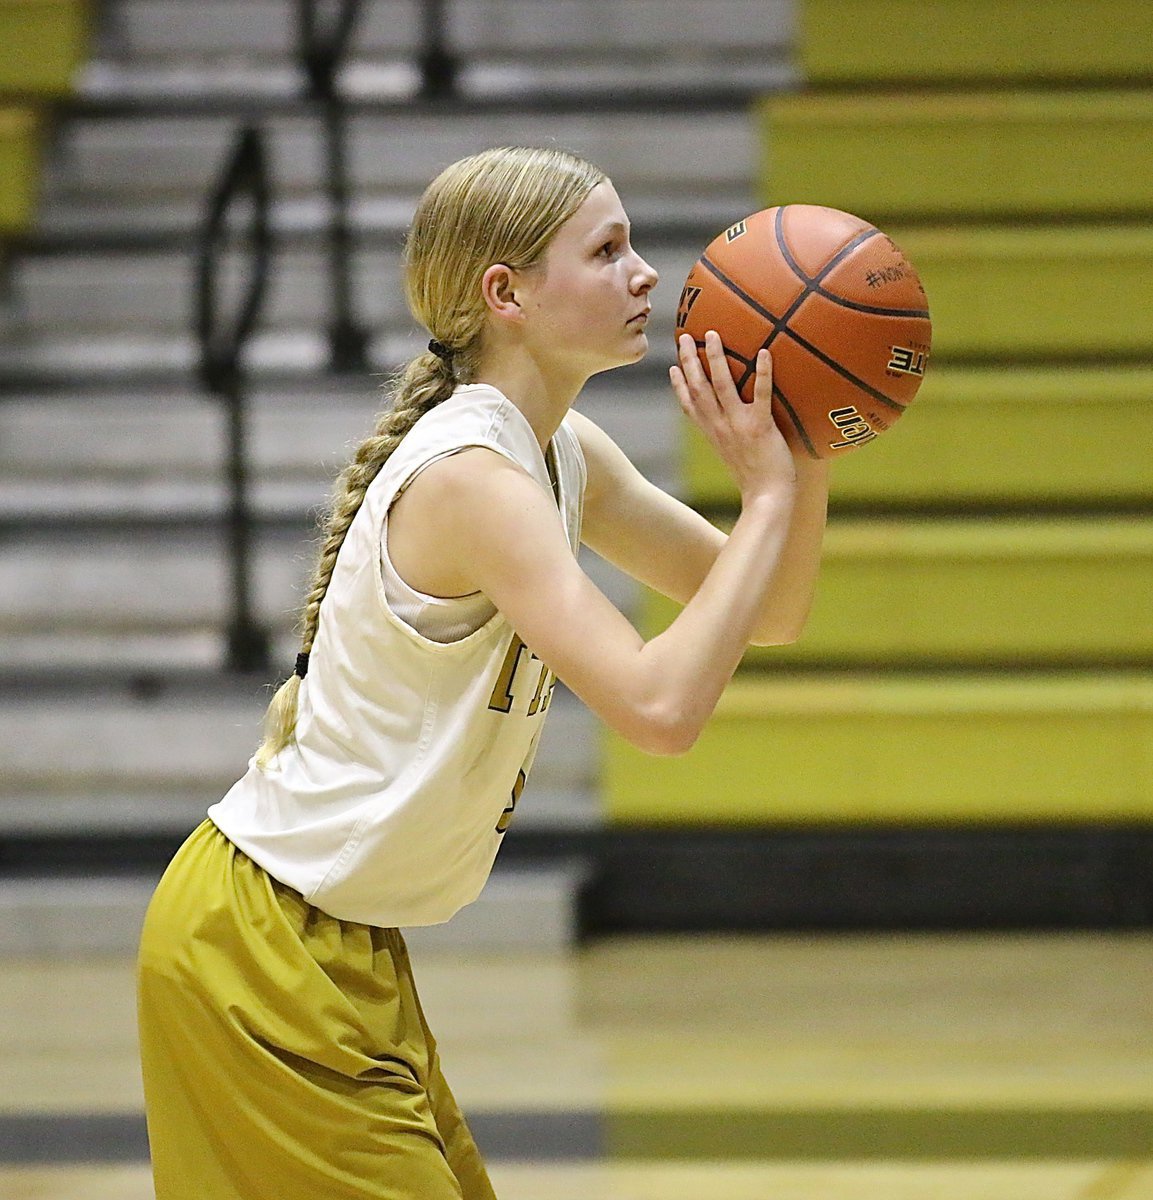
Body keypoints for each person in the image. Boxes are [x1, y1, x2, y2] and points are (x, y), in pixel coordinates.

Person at [136, 144, 829, 1199]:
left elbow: (768, 608)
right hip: (259, 951)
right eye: (606, 250)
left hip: (339, 946)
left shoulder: (562, 451)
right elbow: (657, 709)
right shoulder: (473, 478)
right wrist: (765, 500)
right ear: (504, 293)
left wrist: (806, 449)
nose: (646, 273)